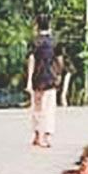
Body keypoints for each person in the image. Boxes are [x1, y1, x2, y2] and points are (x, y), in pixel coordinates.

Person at [24, 18, 63, 149]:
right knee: (49, 109)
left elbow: (31, 60)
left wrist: (29, 80)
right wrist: (58, 75)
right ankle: (45, 137)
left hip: (37, 80)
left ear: (37, 26)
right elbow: (59, 61)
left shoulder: (34, 42)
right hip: (50, 79)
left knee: (37, 108)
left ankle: (37, 136)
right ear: (49, 26)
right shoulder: (55, 42)